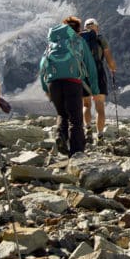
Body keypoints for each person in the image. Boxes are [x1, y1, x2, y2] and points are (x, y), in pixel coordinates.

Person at [39, 16, 99, 158]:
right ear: (77, 30)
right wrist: (95, 89)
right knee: (76, 119)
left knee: (62, 114)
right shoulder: (79, 41)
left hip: (54, 84)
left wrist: (45, 87)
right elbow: (90, 65)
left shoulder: (52, 42)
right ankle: (76, 153)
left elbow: (42, 65)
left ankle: (61, 136)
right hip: (73, 83)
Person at [80, 18, 117, 143]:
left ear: (85, 27)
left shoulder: (79, 39)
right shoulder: (100, 39)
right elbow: (109, 59)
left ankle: (88, 129)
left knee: (86, 104)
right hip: (98, 72)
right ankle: (100, 136)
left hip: (83, 73)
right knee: (99, 105)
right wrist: (112, 68)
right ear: (97, 27)